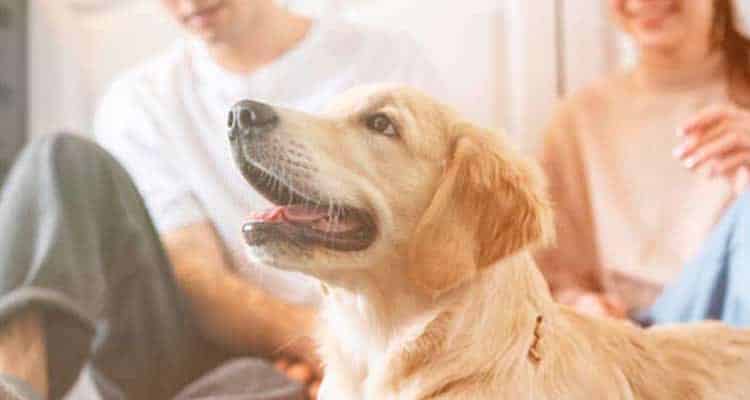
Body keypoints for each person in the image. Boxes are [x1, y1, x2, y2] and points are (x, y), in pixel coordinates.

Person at [0, 0, 442, 399]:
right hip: (190, 351)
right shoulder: (138, 101)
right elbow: (193, 269)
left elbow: (440, 239)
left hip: (347, 349)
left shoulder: (388, 66)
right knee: (60, 159)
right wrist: (323, 346)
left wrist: (356, 360)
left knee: (253, 383)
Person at [536, 0, 750, 326]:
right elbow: (546, 278)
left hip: (728, 327)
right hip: (634, 340)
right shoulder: (579, 118)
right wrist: (580, 304)